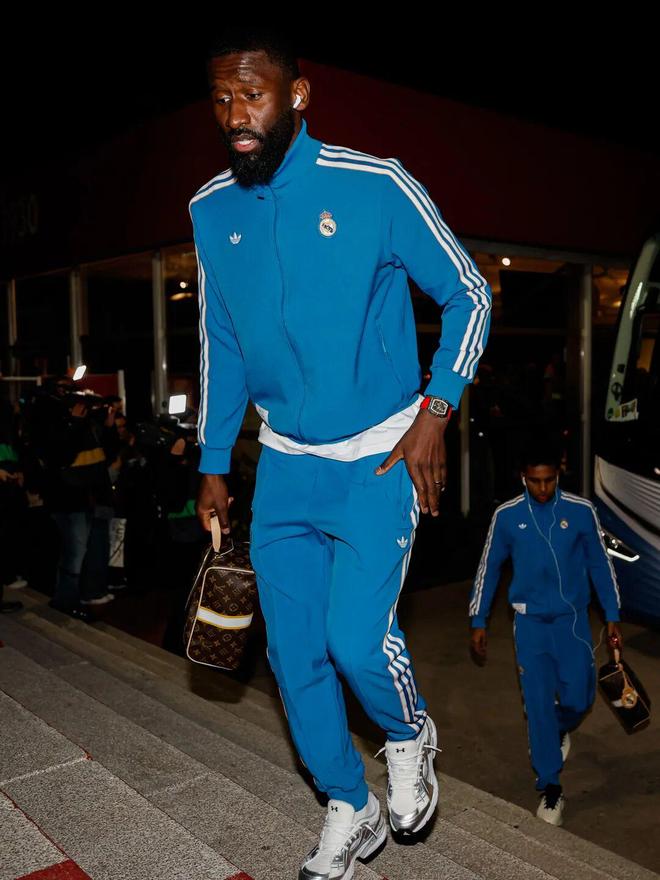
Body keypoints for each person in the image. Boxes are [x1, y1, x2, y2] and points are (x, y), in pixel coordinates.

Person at [192, 29, 491, 879]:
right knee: (292, 657)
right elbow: (220, 340)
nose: (236, 115)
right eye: (221, 98)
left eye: (252, 95)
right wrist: (213, 460)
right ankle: (348, 805)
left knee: (356, 641)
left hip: (379, 460)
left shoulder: (375, 183)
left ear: (297, 96)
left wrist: (434, 412)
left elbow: (470, 294)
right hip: (284, 464)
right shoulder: (210, 209)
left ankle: (408, 732)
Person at [469, 442, 622, 826]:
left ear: (558, 475)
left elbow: (600, 564)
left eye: (549, 480)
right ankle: (550, 786)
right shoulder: (507, 516)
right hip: (530, 624)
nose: (542, 489)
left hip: (573, 623)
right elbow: (489, 566)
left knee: (579, 697)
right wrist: (478, 619)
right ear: (523, 477)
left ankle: (558, 726)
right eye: (535, 481)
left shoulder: (581, 511)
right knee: (537, 702)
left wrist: (612, 614)